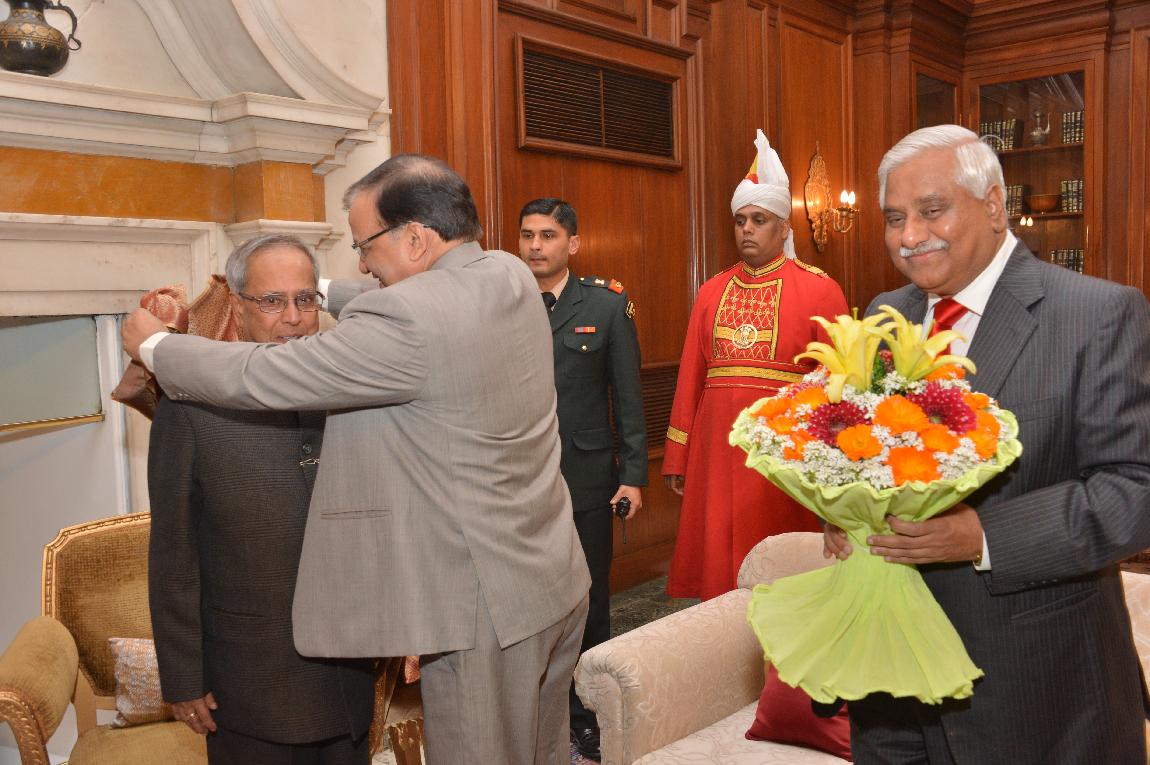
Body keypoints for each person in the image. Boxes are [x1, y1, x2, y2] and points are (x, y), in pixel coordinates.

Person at [123, 154, 591, 765]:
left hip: (483, 613)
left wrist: (156, 347)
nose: (364, 265)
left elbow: (264, 374)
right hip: (552, 584)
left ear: (416, 238)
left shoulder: (406, 321)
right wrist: (311, 289)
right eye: (273, 302)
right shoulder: (507, 273)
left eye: (365, 246)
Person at [824, 124, 1150, 763]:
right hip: (890, 684)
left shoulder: (1096, 313)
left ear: (995, 205)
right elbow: (856, 451)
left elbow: (1135, 491)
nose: (910, 236)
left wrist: (984, 537)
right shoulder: (882, 315)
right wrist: (842, 512)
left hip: (1039, 691)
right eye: (895, 218)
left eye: (931, 210)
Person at [148, 233, 376, 764]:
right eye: (272, 301)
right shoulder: (191, 405)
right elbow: (174, 555)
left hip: (347, 675)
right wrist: (183, 677)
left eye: (305, 299)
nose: (293, 317)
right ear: (237, 306)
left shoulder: (354, 392)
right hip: (247, 685)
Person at [663, 129, 849, 600]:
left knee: (780, 569)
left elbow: (839, 384)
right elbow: (691, 378)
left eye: (759, 220)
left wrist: (835, 464)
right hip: (714, 452)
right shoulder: (711, 290)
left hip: (782, 457)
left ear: (783, 228)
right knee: (717, 570)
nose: (746, 228)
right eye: (740, 220)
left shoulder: (821, 289)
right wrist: (678, 455)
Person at [518, 197, 648, 761]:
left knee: (589, 602)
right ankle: (534, 712)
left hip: (587, 478)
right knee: (527, 602)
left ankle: (585, 716)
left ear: (572, 244)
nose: (535, 245)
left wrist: (634, 475)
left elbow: (628, 397)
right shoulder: (504, 301)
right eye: (527, 235)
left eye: (548, 235)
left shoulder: (605, 304)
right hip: (518, 480)